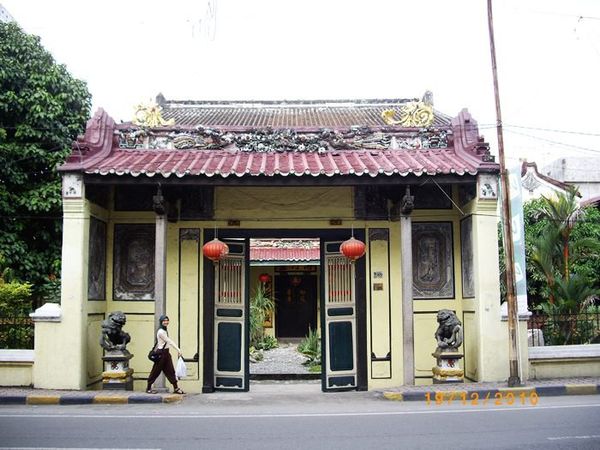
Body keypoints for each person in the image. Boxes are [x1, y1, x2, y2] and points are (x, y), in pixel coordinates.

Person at [146, 315, 185, 394]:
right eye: (164, 320)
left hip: (166, 353)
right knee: (155, 371)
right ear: (161, 322)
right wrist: (178, 349)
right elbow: (169, 341)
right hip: (161, 353)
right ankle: (148, 388)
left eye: (167, 320)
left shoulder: (164, 330)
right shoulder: (161, 332)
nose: (166, 322)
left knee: (170, 371)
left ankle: (176, 388)